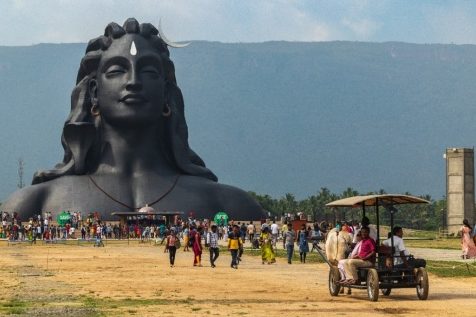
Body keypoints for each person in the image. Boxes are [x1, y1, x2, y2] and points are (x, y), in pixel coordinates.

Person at [2, 18, 264, 222]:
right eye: (117, 70)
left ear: (166, 92)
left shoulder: (228, 204)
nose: (133, 82)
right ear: (94, 92)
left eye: (149, 71)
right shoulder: (35, 203)